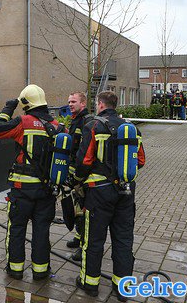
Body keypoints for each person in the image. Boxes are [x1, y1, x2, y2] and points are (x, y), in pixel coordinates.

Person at [74, 91, 145, 301]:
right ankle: (122, 287)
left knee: (94, 240)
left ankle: (90, 283)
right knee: (123, 240)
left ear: (100, 104)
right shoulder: (131, 128)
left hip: (99, 194)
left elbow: (84, 161)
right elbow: (140, 160)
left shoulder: (94, 126)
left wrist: (78, 180)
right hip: (126, 193)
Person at [0, 84, 59, 281]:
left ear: (26, 103)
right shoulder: (56, 125)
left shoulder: (23, 122)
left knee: (17, 229)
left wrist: (8, 108)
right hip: (46, 189)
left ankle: (15, 270)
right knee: (42, 231)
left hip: (22, 189)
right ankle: (40, 271)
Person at [64, 91, 91, 262]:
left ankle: (84, 245)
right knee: (76, 207)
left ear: (83, 103)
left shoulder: (86, 121)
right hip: (73, 170)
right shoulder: (75, 120)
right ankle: (78, 236)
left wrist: (78, 175)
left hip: (81, 174)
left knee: (82, 209)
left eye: (73, 101)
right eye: (69, 101)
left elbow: (83, 151)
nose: (70, 104)